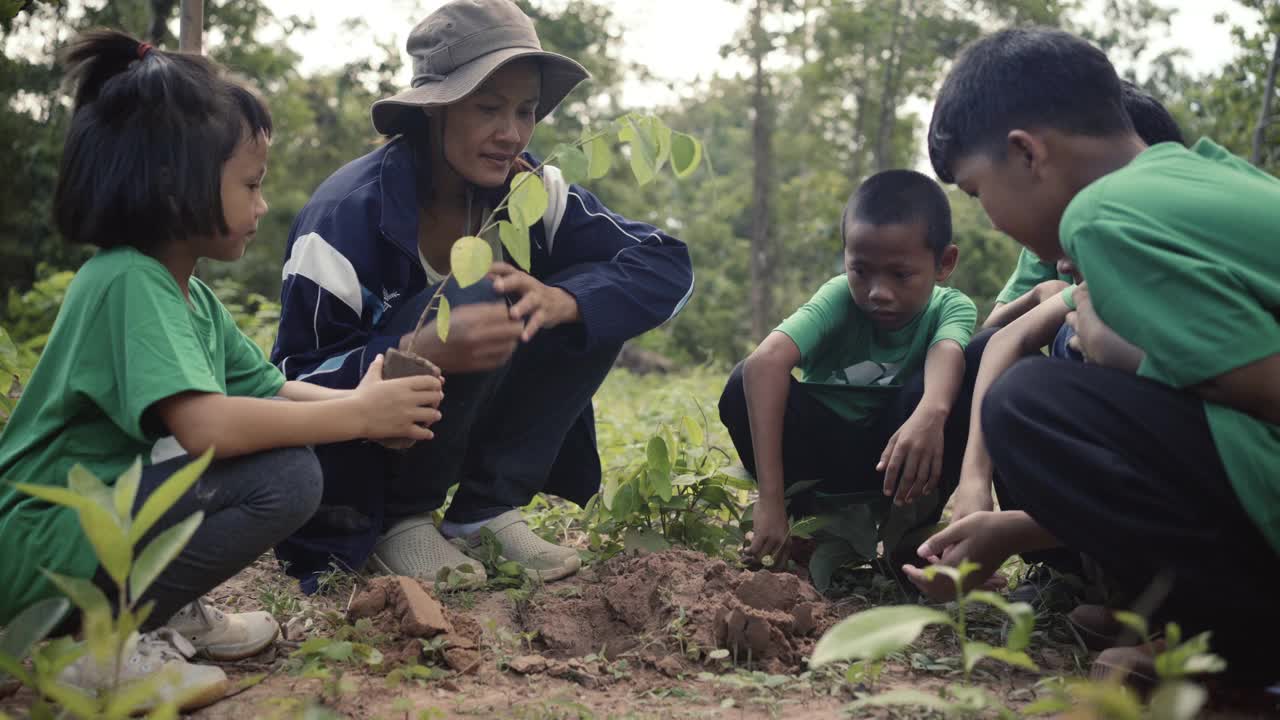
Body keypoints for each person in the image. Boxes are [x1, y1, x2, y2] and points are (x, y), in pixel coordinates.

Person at [0, 31, 442, 710]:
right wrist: (354, 416)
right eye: (251, 184)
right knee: (284, 475)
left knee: (288, 457)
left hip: (87, 531)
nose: (263, 206)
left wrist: (361, 397)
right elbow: (206, 425)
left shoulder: (190, 296)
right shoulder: (125, 282)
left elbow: (269, 388)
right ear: (176, 186)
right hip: (40, 545)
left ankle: (152, 608)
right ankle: (89, 646)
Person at [270, 0, 694, 590]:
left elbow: (662, 263)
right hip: (360, 465)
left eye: (526, 111)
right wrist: (418, 350)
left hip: (468, 431)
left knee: (584, 297)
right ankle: (401, 520)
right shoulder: (345, 217)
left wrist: (563, 302)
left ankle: (485, 510)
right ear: (435, 111)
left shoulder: (529, 190)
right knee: (470, 292)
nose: (512, 132)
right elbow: (290, 385)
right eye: (488, 108)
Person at [912, 26, 1280, 686]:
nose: (991, 219)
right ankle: (1187, 621)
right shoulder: (1211, 174)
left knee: (1029, 403)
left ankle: (1241, 639)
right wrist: (1024, 528)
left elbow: (1267, 386)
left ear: (1026, 154)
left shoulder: (1101, 215)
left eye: (977, 193)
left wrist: (1118, 358)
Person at [718, 169, 977, 563]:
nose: (878, 291)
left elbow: (947, 354)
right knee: (740, 384)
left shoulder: (950, 307)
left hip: (901, 456)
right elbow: (764, 364)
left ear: (944, 262)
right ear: (845, 259)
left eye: (900, 274)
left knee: (964, 376)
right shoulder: (839, 298)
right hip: (823, 454)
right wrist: (769, 499)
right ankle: (803, 523)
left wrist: (932, 412)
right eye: (861, 270)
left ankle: (910, 540)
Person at [981, 80, 1185, 330]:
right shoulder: (1053, 226)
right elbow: (992, 328)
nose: (1063, 263)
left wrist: (1062, 303)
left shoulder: (1167, 227)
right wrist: (1040, 295)